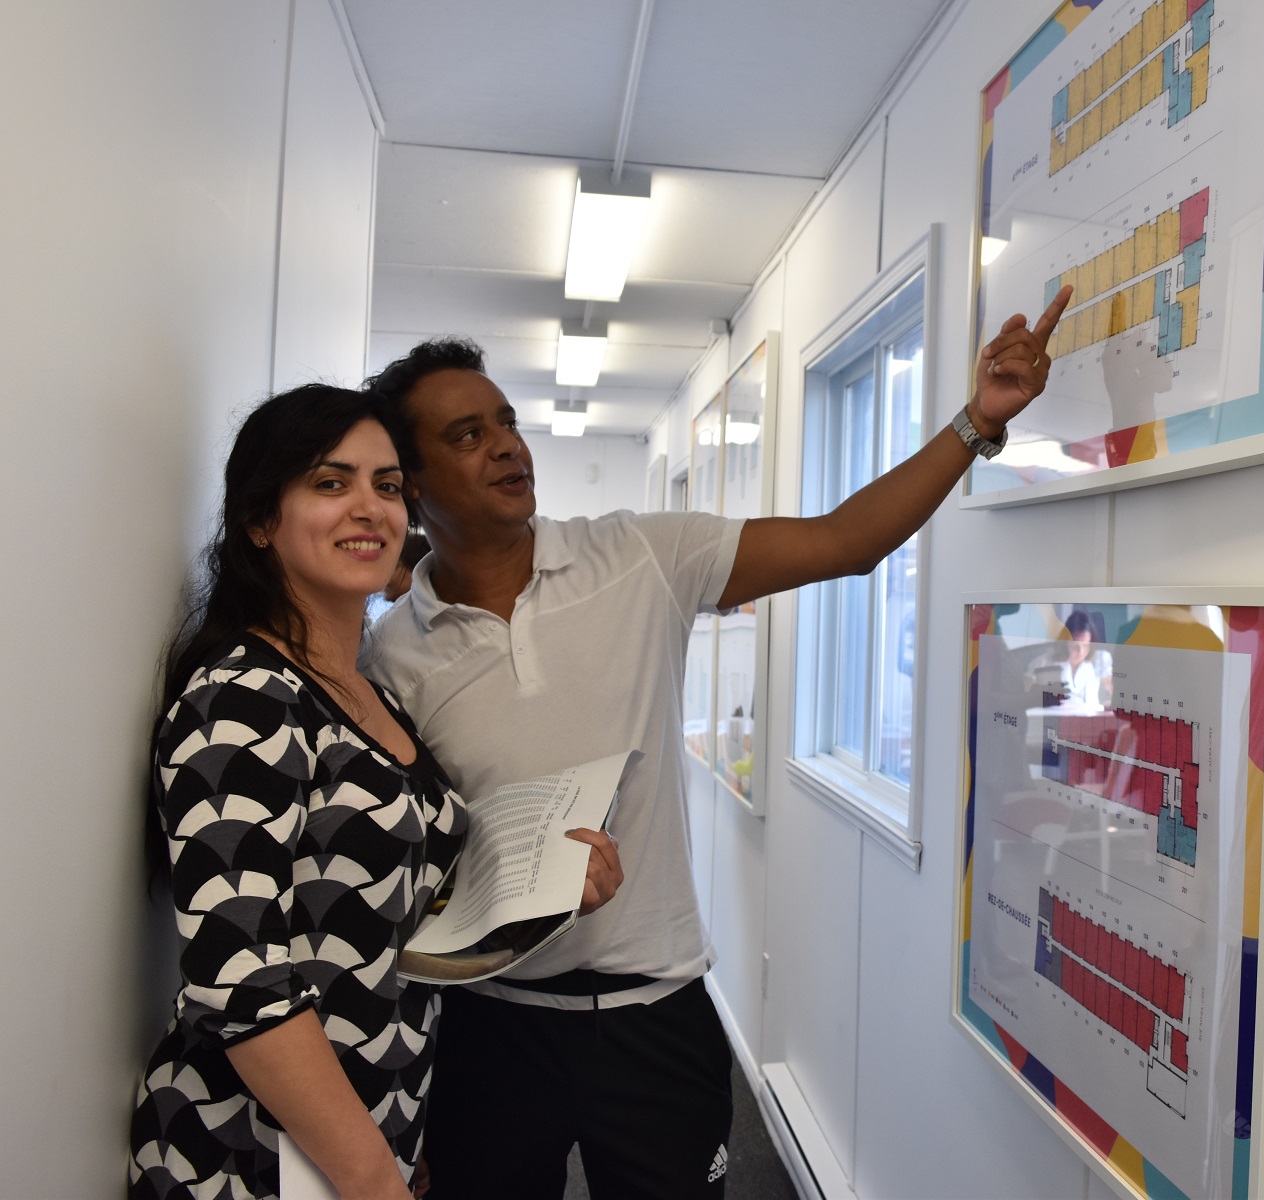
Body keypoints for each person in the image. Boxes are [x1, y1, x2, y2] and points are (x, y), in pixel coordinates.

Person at [361, 286, 1071, 1198]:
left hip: (653, 1014)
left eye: (506, 422)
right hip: (488, 1024)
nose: (506, 445)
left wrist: (978, 422)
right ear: (412, 485)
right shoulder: (390, 654)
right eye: (467, 435)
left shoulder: (639, 556)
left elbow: (846, 542)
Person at [126, 386, 624, 1199]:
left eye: (387, 486)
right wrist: (369, 1173)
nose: (370, 507)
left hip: (355, 1147)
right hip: (249, 1161)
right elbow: (241, 981)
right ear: (259, 520)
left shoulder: (366, 692)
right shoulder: (241, 698)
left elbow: (389, 912)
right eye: (331, 482)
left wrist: (552, 884)